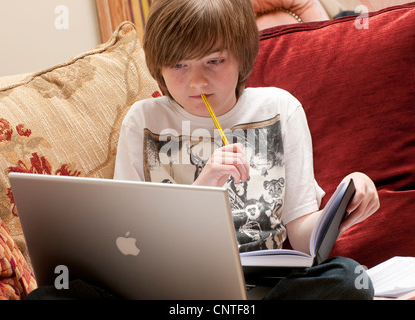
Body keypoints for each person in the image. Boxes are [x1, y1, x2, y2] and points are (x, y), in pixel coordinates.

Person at [113, 0, 379, 300]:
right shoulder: (143, 120)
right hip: (173, 285)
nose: (197, 81)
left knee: (347, 278)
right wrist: (204, 186)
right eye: (179, 65)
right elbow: (131, 239)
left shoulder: (281, 109)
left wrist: (344, 208)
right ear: (158, 65)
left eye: (214, 61)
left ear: (242, 56)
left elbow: (304, 240)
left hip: (264, 288)